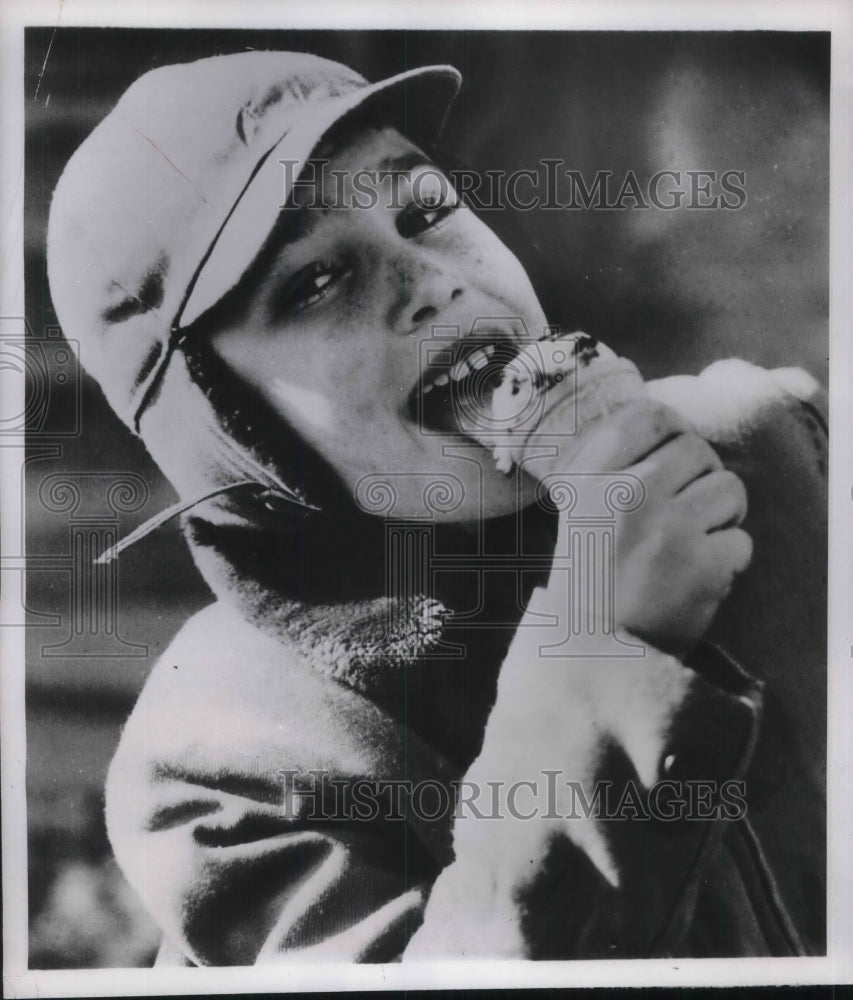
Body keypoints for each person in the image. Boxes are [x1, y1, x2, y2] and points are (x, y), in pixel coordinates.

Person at [46, 50, 827, 964]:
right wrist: (601, 642)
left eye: (424, 210)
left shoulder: (769, 447)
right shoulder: (229, 763)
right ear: (232, 428)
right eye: (312, 281)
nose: (426, 279)